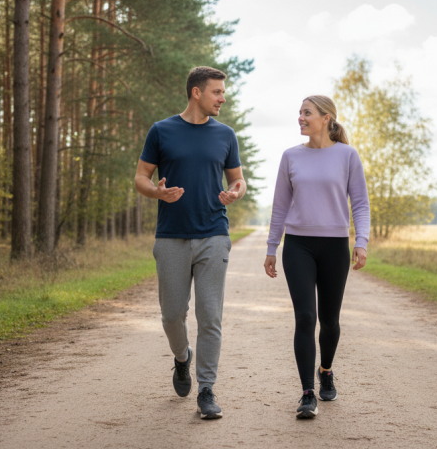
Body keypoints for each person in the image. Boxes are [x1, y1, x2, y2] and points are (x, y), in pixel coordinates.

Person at [135, 66, 246, 420]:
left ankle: (207, 389)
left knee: (210, 314)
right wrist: (157, 192)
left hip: (214, 233)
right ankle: (182, 358)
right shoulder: (161, 131)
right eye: (217, 92)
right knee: (172, 315)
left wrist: (234, 193)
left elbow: (239, 181)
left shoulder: (226, 135)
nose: (222, 98)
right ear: (196, 92)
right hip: (171, 236)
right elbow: (141, 177)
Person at [263, 95, 370, 419]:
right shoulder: (290, 156)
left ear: (326, 118)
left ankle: (326, 369)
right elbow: (280, 206)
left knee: (330, 320)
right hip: (298, 246)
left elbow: (361, 204)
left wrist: (361, 241)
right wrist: (272, 247)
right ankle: (307, 392)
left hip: (335, 246)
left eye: (306, 113)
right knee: (305, 318)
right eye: (299, 113)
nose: (300, 118)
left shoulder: (347, 156)